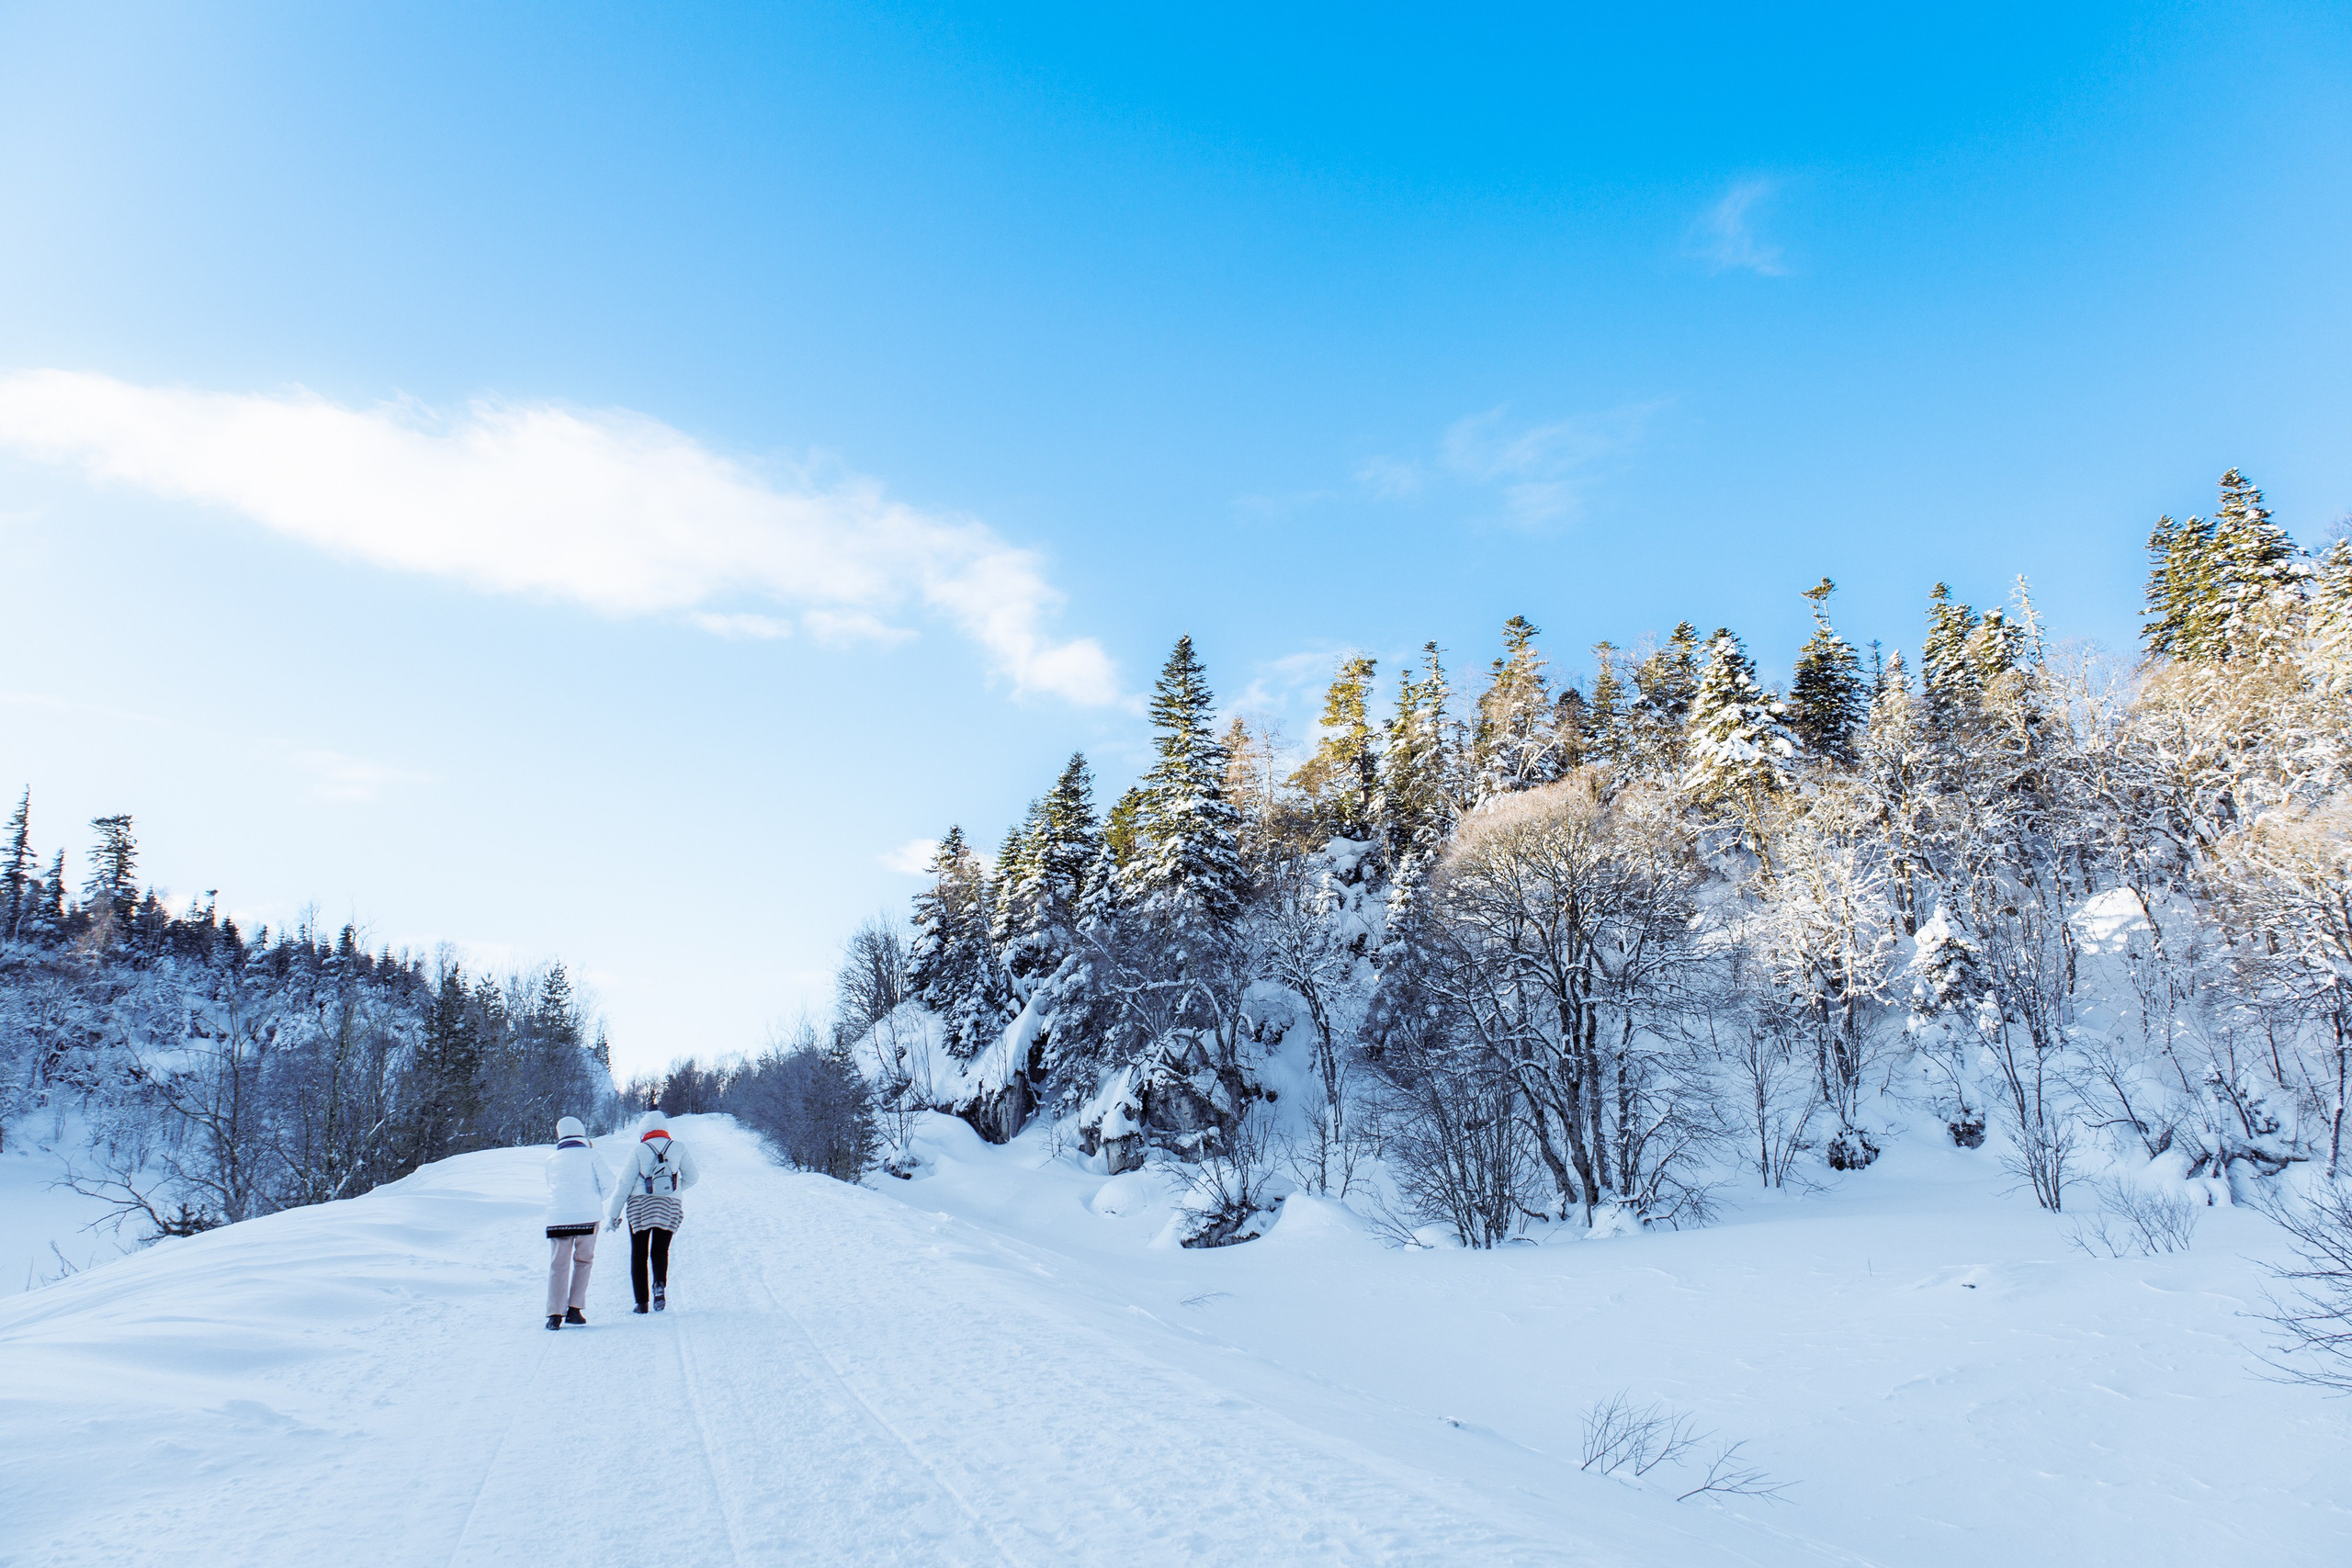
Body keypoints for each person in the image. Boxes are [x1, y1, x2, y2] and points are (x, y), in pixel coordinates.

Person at [607, 1117, 698, 1314]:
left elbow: (624, 1184)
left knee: (639, 1254)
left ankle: (641, 1303)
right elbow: (693, 1177)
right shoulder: (678, 1147)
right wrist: (673, 1191)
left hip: (640, 1207)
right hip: (669, 1206)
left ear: (643, 1130)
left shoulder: (639, 1150)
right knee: (660, 1250)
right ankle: (659, 1285)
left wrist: (613, 1214)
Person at [543, 1115, 609, 1330]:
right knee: (583, 1261)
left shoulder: (551, 1159)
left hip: (558, 1218)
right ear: (581, 1133)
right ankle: (574, 1309)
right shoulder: (592, 1155)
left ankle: (554, 1315)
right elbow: (609, 1183)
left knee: (558, 1265)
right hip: (587, 1216)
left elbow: (550, 1186)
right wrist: (595, 1199)